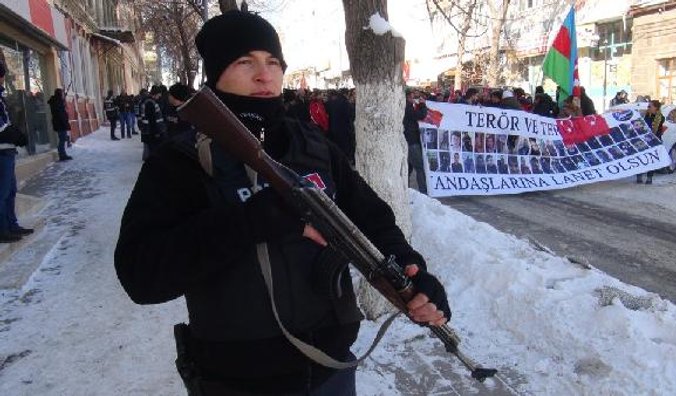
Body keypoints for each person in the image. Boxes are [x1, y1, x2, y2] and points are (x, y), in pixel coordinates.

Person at [114, 11, 450, 396]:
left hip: (331, 371)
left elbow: (372, 219)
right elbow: (141, 276)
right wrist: (248, 222)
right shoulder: (181, 160)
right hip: (236, 382)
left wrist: (411, 272)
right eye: (246, 62)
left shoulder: (312, 144)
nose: (265, 75)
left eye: (274, 62)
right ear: (215, 73)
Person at [0, 60, 33, 243]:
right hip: (1, 152)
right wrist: (16, 135)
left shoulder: (1, 97)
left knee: (11, 191)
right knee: (2, 193)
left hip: (7, 151)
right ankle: (3, 229)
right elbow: (2, 126)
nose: (3, 80)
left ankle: (12, 225)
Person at [403, 89, 428, 194]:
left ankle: (406, 190)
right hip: (412, 141)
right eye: (413, 97)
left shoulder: (406, 106)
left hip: (409, 140)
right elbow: (421, 115)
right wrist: (423, 105)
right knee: (419, 167)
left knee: (408, 168)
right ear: (408, 97)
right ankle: (423, 192)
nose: (415, 99)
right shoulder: (407, 107)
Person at [637, 100, 665, 184]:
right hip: (644, 140)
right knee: (641, 158)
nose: (648, 108)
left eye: (650, 106)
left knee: (652, 159)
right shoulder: (646, 115)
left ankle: (649, 177)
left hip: (654, 140)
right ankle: (639, 176)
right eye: (648, 106)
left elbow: (654, 129)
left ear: (656, 108)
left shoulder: (660, 117)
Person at [139, 85, 166, 160]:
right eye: (159, 94)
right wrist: (156, 133)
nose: (160, 96)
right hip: (150, 131)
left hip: (147, 130)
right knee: (152, 150)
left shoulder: (148, 101)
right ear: (155, 94)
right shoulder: (150, 103)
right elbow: (152, 120)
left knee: (149, 149)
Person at [47, 88, 73, 161]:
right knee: (62, 139)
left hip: (58, 123)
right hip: (61, 124)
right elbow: (61, 114)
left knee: (62, 139)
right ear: (59, 94)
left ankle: (62, 154)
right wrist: (66, 124)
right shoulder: (58, 103)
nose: (62, 95)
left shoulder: (56, 101)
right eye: (61, 93)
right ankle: (62, 155)